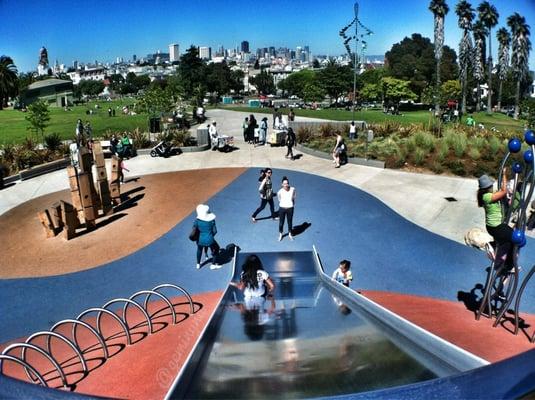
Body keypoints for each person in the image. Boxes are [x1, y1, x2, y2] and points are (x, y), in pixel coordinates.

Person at [477, 171, 514, 271]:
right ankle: (509, 265)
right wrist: (504, 174)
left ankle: (494, 246)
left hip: (494, 226)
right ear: (488, 187)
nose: (492, 187)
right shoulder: (487, 196)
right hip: (495, 227)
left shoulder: (487, 195)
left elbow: (502, 193)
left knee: (508, 240)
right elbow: (503, 191)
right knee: (514, 239)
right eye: (491, 185)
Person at [193, 204, 221, 270]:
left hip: (200, 240)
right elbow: (215, 231)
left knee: (199, 250)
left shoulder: (197, 221)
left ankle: (198, 264)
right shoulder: (211, 221)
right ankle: (213, 264)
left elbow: (194, 229)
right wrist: (210, 236)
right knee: (216, 248)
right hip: (210, 239)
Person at [277, 176, 296, 241]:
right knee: (281, 223)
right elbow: (279, 199)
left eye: (287, 183)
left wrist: (291, 204)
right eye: (284, 184)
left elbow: (294, 197)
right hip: (282, 208)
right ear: (282, 184)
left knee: (290, 222)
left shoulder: (293, 189)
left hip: (290, 208)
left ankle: (290, 234)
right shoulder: (279, 192)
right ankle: (280, 234)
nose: (286, 185)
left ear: (288, 183)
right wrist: (284, 204)